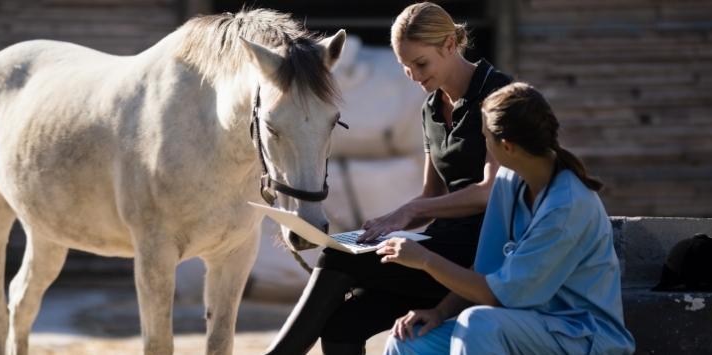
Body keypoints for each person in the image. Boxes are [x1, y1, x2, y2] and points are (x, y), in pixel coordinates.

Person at [265, 3, 512, 354]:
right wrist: (387, 224)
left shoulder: (498, 95)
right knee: (343, 324)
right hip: (441, 242)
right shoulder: (430, 107)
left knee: (339, 260)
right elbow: (431, 194)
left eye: (420, 64)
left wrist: (408, 213)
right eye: (404, 66)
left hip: (485, 249)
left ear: (449, 45)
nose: (412, 75)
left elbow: (491, 192)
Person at [376, 82, 636, 354]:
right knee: (407, 340)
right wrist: (440, 312)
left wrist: (425, 260)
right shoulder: (509, 180)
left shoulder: (567, 206)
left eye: (486, 138)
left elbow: (498, 296)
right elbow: (484, 271)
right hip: (521, 328)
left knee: (478, 323)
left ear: (507, 147)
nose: (485, 145)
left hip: (581, 337)